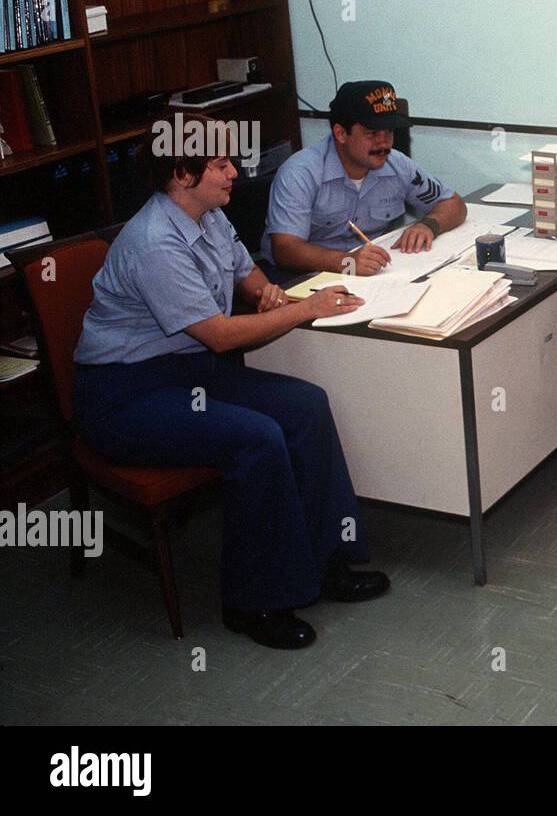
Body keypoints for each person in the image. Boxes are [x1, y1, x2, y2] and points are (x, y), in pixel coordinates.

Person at [73, 114, 389, 650]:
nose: (233, 175)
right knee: (255, 437)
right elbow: (219, 336)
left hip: (187, 372)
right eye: (220, 166)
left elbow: (246, 271)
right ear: (181, 174)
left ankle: (327, 559)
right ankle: (255, 600)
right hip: (124, 396)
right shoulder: (154, 242)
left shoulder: (207, 215)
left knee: (305, 405)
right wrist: (301, 309)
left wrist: (267, 292)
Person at [261, 80, 466, 276]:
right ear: (341, 134)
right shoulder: (300, 173)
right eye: (372, 133)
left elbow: (454, 204)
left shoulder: (396, 164)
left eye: (389, 131)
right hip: (306, 276)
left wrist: (428, 225)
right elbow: (286, 250)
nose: (383, 142)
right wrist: (347, 263)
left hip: (370, 272)